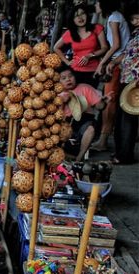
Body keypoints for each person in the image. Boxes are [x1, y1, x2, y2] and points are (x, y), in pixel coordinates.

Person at [95, 0, 131, 150]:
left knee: (109, 101)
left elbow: (116, 44)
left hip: (117, 62)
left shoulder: (113, 18)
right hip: (120, 61)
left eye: (98, 2)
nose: (96, 5)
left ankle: (103, 140)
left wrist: (102, 63)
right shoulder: (116, 16)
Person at [59, 69, 111, 162]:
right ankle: (63, 155)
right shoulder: (57, 93)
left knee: (90, 129)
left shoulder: (85, 88)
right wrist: (63, 102)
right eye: (64, 78)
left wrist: (104, 102)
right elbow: (56, 115)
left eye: (70, 76)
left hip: (84, 118)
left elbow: (99, 106)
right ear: (59, 82)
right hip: (65, 121)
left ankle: (80, 157)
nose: (68, 79)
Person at [54, 4, 109, 87]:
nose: (80, 18)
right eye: (76, 16)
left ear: (86, 14)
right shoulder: (69, 33)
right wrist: (67, 62)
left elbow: (104, 48)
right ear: (72, 19)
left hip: (93, 71)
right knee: (77, 97)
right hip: (75, 72)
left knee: (90, 97)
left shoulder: (97, 28)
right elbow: (56, 47)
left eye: (82, 14)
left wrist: (90, 55)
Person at [112, 8, 139, 165]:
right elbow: (128, 54)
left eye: (138, 18)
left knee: (128, 120)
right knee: (122, 118)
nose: (136, 22)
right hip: (126, 78)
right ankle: (121, 152)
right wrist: (113, 62)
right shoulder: (135, 35)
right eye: (133, 19)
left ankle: (124, 156)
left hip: (135, 81)